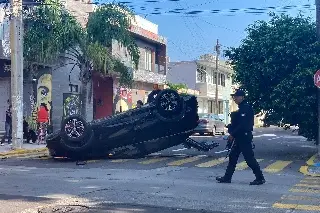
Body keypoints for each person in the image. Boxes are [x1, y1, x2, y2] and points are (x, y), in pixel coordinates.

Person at [216, 89, 265, 185]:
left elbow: (243, 125)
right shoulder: (241, 108)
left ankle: (260, 178)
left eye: (236, 96)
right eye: (234, 97)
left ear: (242, 97)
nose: (235, 98)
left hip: (244, 137)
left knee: (249, 159)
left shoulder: (246, 108)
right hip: (239, 137)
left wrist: (232, 134)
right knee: (232, 157)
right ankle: (227, 177)